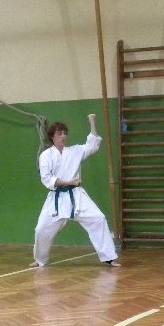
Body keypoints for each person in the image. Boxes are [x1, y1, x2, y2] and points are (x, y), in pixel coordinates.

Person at [31, 114, 120, 268]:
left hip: (77, 196)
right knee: (41, 230)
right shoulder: (46, 155)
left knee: (98, 219)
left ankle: (109, 257)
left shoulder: (74, 151)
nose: (63, 136)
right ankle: (40, 259)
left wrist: (92, 122)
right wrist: (68, 182)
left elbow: (92, 146)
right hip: (57, 198)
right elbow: (46, 178)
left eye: (65, 133)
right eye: (59, 133)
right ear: (52, 136)